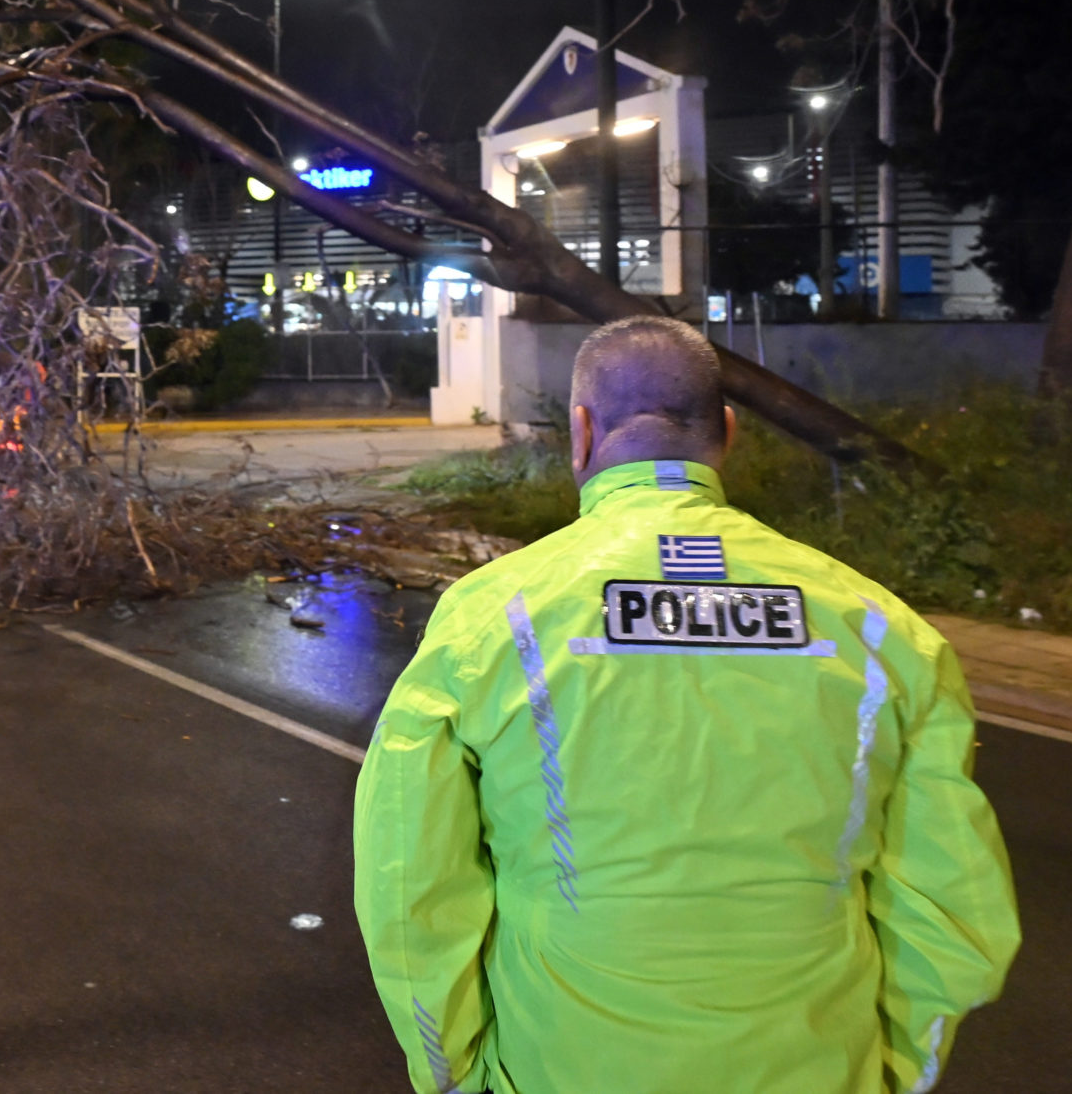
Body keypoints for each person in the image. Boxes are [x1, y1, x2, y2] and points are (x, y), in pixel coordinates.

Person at [352, 315, 1019, 1094]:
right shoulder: (883, 632)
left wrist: (458, 1074)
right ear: (726, 432)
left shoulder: (489, 621)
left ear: (580, 432)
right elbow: (954, 910)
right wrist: (892, 1069)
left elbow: (409, 889)